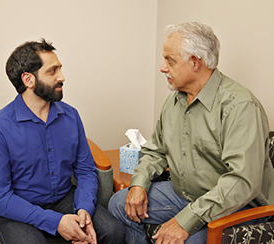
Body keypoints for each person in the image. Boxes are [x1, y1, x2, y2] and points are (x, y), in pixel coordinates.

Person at [108, 21, 274, 244]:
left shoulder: (240, 107)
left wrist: (185, 220)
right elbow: (156, 151)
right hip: (184, 195)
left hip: (234, 207)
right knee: (119, 204)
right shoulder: (174, 100)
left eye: (170, 60)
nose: (162, 67)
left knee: (189, 240)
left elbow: (242, 182)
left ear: (195, 62)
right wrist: (139, 184)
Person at [0, 39, 125, 244]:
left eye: (60, 69)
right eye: (52, 71)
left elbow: (85, 170)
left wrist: (84, 208)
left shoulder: (71, 116)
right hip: (16, 207)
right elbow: (1, 198)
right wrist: (57, 222)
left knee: (114, 231)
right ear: (28, 80)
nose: (62, 77)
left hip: (63, 199)